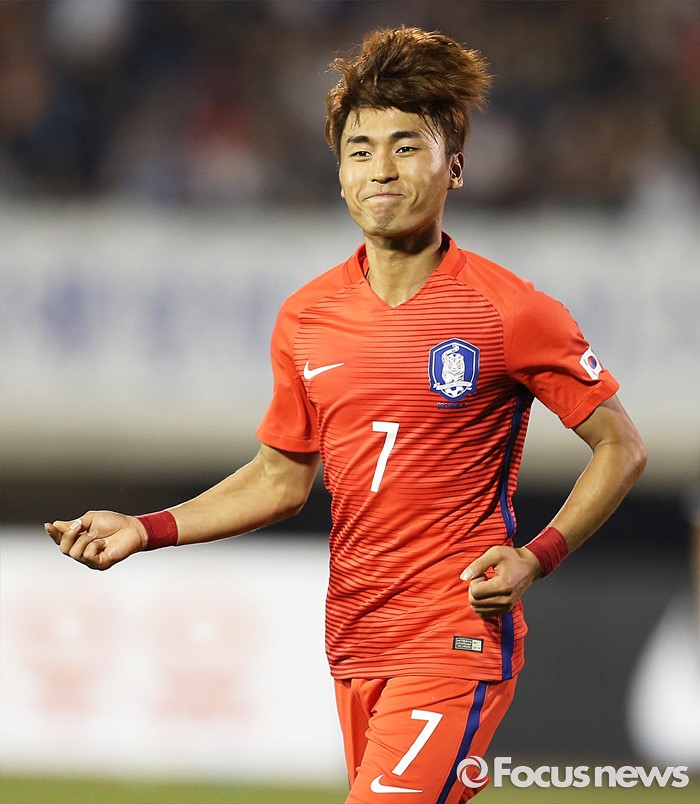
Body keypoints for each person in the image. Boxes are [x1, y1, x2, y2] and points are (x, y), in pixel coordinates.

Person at [46, 27, 647, 803]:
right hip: (357, 638)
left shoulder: (510, 312)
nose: (381, 169)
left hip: (454, 635)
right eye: (361, 151)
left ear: (455, 167)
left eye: (407, 147)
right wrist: (146, 528)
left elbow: (620, 446)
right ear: (339, 176)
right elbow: (279, 480)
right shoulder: (308, 318)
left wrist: (537, 556)